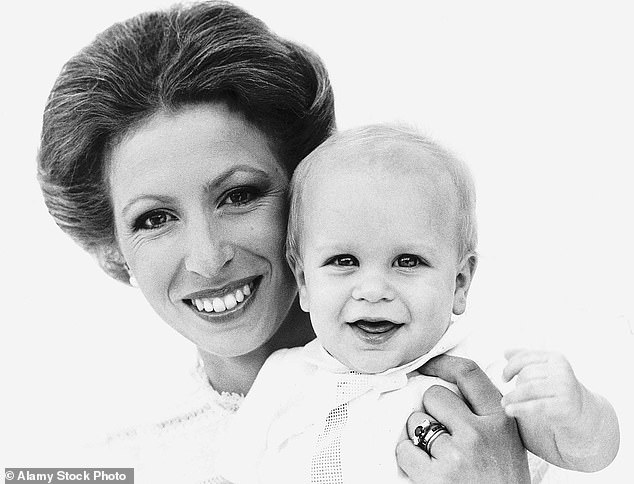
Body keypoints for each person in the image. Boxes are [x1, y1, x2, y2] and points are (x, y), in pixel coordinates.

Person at [37, 1, 531, 482]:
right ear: (112, 251)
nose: (208, 260)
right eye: (154, 219)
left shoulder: (493, 397)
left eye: (239, 195)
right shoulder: (103, 464)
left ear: (305, 192)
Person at [218, 125, 619, 483]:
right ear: (304, 280)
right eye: (344, 261)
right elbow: (234, 472)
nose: (372, 290)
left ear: (459, 283)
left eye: (407, 261)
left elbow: (589, 453)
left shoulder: (482, 370)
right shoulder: (284, 379)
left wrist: (574, 408)